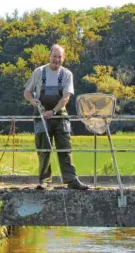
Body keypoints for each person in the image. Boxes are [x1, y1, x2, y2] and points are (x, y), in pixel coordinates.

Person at [23, 44, 89, 190]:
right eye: (54, 56)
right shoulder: (39, 72)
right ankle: (44, 181)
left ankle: (71, 180)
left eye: (60, 57)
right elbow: (27, 92)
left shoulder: (67, 74)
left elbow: (66, 97)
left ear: (63, 58)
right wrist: (33, 101)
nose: (56, 60)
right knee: (43, 148)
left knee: (65, 147)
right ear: (49, 56)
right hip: (41, 115)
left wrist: (53, 112)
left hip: (59, 115)